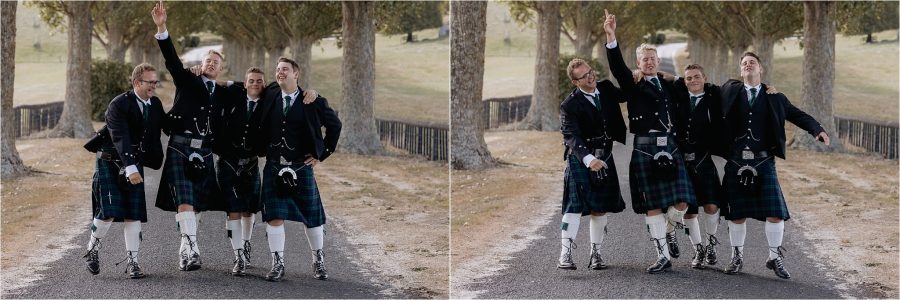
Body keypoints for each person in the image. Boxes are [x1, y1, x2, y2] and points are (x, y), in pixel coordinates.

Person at [719, 52, 830, 279]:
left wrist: (817, 130)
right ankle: (737, 257)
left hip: (763, 161)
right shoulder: (729, 90)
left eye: (752, 63)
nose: (748, 65)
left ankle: (774, 257)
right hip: (736, 159)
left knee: (775, 214)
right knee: (736, 214)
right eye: (744, 63)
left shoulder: (775, 97)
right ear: (741, 71)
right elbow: (700, 84)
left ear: (761, 69)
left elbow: (797, 115)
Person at [603, 10, 697, 274]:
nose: (649, 63)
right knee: (652, 205)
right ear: (639, 62)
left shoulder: (669, 85)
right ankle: (662, 255)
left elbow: (697, 86)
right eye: (644, 59)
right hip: (644, 148)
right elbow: (618, 68)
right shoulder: (632, 84)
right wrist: (611, 37)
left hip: (670, 145)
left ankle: (669, 228)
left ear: (659, 62)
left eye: (653, 59)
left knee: (683, 200)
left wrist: (674, 77)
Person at [256, 57, 341, 282]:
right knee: (274, 216)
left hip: (300, 166)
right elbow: (247, 84)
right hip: (274, 165)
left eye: (285, 69)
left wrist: (323, 154)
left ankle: (318, 260)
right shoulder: (271, 92)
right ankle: (278, 263)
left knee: (312, 217)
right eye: (277, 69)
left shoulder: (312, 101)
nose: (280, 72)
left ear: (296, 74)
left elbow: (335, 125)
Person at [152, 0, 222, 271]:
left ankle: (185, 248)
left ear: (220, 68)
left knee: (199, 205)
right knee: (185, 200)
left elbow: (259, 89)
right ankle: (193, 250)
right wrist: (162, 28)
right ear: (201, 65)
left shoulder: (226, 92)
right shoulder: (187, 80)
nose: (212, 64)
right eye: (208, 61)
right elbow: (171, 59)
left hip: (204, 149)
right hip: (181, 146)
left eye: (216, 62)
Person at [81, 63, 165, 279]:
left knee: (133, 214)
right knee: (109, 210)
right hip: (110, 160)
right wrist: (130, 167)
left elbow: (165, 126)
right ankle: (92, 250)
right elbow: (120, 136)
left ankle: (133, 262)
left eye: (156, 82)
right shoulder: (119, 104)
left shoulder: (154, 104)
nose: (154, 86)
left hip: (134, 163)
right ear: (137, 82)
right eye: (150, 82)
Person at [557, 58, 627, 271]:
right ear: (575, 81)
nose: (590, 76)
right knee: (574, 206)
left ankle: (596, 253)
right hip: (581, 158)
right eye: (584, 75)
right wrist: (589, 159)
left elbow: (626, 93)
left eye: (590, 72)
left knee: (600, 207)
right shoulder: (569, 105)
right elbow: (571, 135)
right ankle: (565, 254)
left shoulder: (605, 89)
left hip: (604, 154)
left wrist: (635, 74)